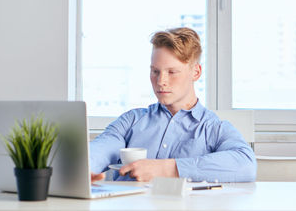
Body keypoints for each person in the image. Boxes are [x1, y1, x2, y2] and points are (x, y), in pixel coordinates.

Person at [89, 27, 256, 183]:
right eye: (155, 71)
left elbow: (246, 165)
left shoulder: (213, 129)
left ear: (196, 72)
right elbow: (101, 149)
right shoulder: (132, 120)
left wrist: (168, 169)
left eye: (172, 72)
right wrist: (83, 168)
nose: (161, 81)